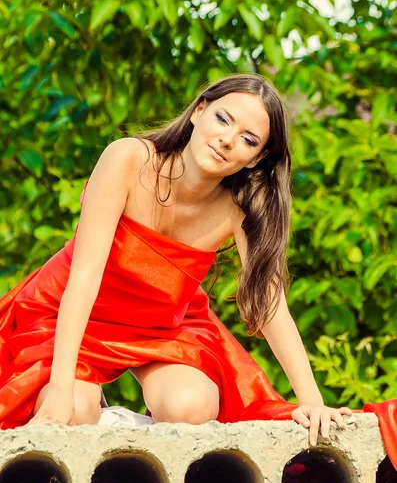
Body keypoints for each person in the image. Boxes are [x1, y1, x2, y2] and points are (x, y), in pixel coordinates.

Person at [0, 73, 394, 460]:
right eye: (223, 119)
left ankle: (134, 446)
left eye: (248, 139)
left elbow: (271, 307)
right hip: (68, 315)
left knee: (192, 407)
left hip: (161, 324)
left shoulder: (238, 206)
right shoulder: (128, 158)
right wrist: (61, 393)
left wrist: (313, 403)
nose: (227, 140)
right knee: (74, 411)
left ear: (255, 158)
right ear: (198, 111)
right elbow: (83, 281)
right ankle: (99, 414)